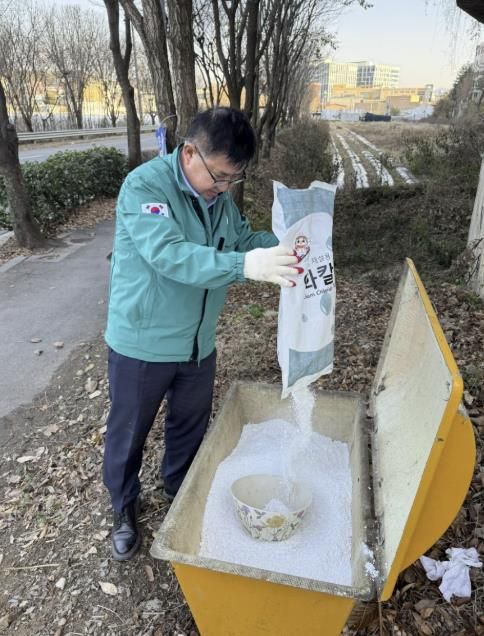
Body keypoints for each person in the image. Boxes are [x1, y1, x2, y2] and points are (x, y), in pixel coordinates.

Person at [103, 106, 302, 561]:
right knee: (129, 431)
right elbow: (169, 255)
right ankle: (123, 505)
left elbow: (242, 240)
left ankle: (180, 489)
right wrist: (243, 266)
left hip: (197, 343)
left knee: (189, 426)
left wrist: (286, 247)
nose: (224, 187)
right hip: (143, 341)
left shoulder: (218, 199)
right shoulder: (145, 187)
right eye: (219, 176)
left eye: (233, 179)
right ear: (189, 153)